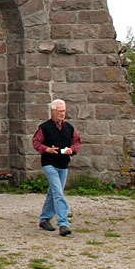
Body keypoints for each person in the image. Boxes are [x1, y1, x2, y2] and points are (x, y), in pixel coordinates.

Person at [32, 98, 81, 236]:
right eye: (59, 111)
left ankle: (45, 218)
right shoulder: (44, 127)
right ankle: (63, 223)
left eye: (64, 111)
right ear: (52, 112)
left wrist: (72, 150)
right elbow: (36, 142)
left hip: (63, 163)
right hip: (49, 163)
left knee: (54, 191)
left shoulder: (69, 128)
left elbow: (77, 142)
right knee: (58, 192)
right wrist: (47, 149)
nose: (62, 114)